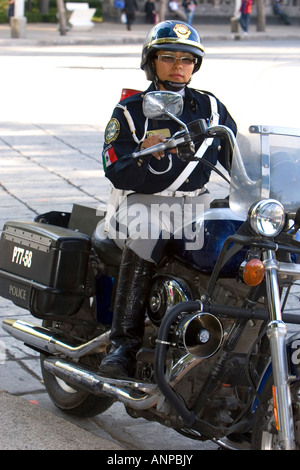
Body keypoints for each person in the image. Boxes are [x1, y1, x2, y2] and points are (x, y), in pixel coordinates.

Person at [99, 20, 237, 378]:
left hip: (196, 202)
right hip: (139, 203)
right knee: (147, 234)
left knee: (242, 238)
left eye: (188, 59)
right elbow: (116, 169)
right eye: (169, 57)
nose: (179, 65)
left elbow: (239, 157)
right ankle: (123, 345)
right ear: (152, 61)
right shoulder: (130, 110)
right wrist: (145, 154)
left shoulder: (211, 108)